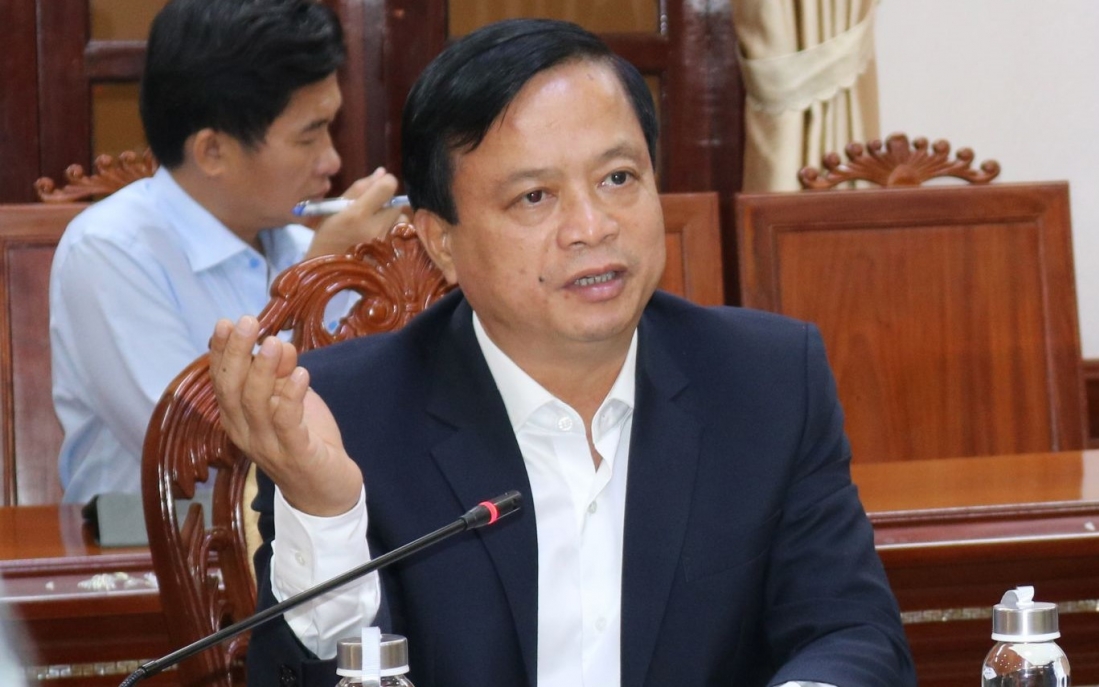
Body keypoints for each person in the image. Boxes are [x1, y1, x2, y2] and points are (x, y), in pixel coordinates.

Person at [210, 18, 916, 687]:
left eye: (618, 178)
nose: (592, 226)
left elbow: (852, 631)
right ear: (441, 242)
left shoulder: (766, 381)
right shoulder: (348, 417)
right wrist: (327, 511)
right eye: (534, 196)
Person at [50, 0, 403, 504]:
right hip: (153, 546)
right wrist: (315, 279)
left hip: (309, 536)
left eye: (332, 126)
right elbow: (196, 451)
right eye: (309, 136)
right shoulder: (109, 250)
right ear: (213, 151)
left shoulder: (299, 243)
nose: (332, 159)